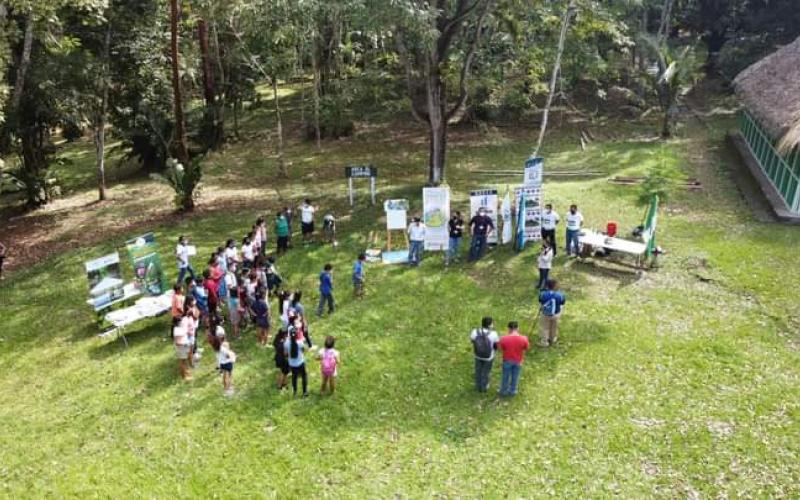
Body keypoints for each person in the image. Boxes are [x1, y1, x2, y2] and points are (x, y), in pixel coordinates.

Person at [498, 321, 530, 397]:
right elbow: (526, 348)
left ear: (509, 329)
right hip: (518, 361)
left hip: (507, 360)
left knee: (505, 376)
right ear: (517, 328)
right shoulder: (524, 338)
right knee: (515, 376)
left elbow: (500, 348)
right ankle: (513, 391)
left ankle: (503, 391)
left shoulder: (504, 338)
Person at [470, 317, 499, 393]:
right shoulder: (494, 334)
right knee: (486, 372)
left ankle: (478, 385)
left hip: (478, 355)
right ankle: (484, 387)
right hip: (489, 357)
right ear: (489, 325)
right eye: (492, 323)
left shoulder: (475, 331)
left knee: (478, 370)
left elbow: (473, 341)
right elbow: (496, 346)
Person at [538, 279, 566, 347]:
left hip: (545, 313)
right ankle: (552, 339)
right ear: (555, 286)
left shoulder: (543, 294)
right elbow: (562, 302)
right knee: (554, 327)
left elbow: (540, 301)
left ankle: (544, 341)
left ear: (547, 286)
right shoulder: (560, 295)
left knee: (544, 327)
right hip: (556, 313)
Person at [284, 327, 308, 397]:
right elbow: (304, 350)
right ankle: (304, 392)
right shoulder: (300, 342)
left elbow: (285, 354)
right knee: (304, 376)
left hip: (292, 364)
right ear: (297, 334)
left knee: (294, 377)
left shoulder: (286, 343)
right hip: (300, 363)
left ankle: (295, 392)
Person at [215, 326, 237, 396]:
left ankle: (225, 388)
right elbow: (227, 354)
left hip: (221, 362)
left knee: (224, 375)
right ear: (224, 335)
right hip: (227, 362)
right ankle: (229, 388)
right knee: (229, 375)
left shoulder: (216, 345)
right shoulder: (225, 344)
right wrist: (233, 356)